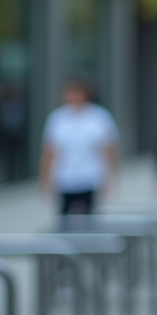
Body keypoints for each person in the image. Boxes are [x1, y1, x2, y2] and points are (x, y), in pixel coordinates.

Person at [39, 76, 119, 215]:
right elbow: (49, 152)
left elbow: (109, 149)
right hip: (65, 179)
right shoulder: (58, 118)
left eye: (74, 92)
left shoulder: (99, 117)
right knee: (64, 219)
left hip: (90, 178)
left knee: (91, 218)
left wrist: (111, 177)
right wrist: (45, 180)